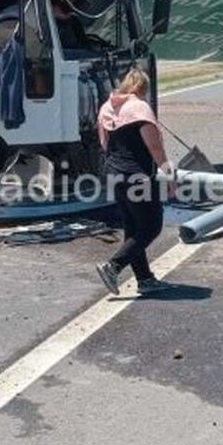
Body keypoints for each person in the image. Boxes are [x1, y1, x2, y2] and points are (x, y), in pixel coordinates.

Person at [95, 68, 173, 296]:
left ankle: (145, 279)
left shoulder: (108, 107)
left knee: (133, 228)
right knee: (151, 226)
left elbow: (103, 142)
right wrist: (168, 175)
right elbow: (154, 147)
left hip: (114, 172)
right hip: (136, 175)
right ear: (143, 88)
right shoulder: (139, 108)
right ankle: (113, 266)